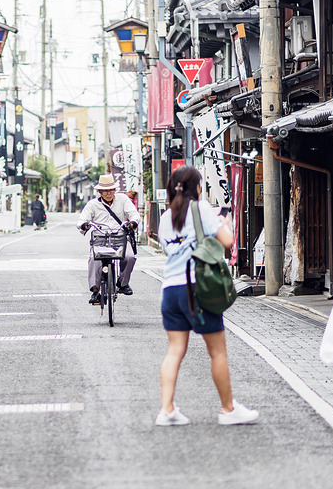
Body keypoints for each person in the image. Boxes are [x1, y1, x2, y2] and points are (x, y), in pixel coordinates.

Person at [156, 165, 258, 426]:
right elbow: (227, 241)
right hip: (197, 289)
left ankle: (166, 409)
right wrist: (225, 222)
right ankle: (227, 409)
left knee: (175, 350)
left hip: (170, 290)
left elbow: (171, 252)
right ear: (197, 187)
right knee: (217, 353)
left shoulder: (166, 216)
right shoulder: (201, 208)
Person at [78, 173, 141, 303]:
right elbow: (82, 219)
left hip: (120, 237)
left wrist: (133, 222)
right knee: (93, 259)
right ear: (100, 191)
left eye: (110, 190)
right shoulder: (92, 205)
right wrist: (84, 225)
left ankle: (123, 284)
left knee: (130, 257)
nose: (108, 193)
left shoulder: (123, 199)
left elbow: (134, 214)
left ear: (115, 190)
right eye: (105, 191)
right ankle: (95, 291)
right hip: (100, 238)